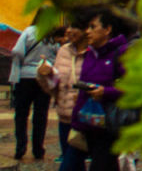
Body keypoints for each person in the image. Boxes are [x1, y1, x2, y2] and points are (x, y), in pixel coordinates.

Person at [72, 10, 129, 171]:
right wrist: (76, 121)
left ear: (107, 29)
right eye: (87, 27)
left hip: (108, 126)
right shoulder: (90, 54)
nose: (87, 31)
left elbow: (133, 87)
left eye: (93, 27)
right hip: (87, 123)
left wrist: (106, 92)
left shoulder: (121, 53)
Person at [10, 12, 60, 161]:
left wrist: (23, 62)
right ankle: (38, 149)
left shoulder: (29, 31)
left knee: (21, 114)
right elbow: (58, 54)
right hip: (44, 78)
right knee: (41, 114)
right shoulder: (52, 35)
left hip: (25, 77)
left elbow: (17, 51)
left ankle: (20, 147)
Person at [46, 14, 91, 171]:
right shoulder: (63, 51)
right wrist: (45, 75)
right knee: (73, 162)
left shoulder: (94, 52)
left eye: (74, 27)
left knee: (70, 163)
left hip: (85, 117)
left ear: (86, 30)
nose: (69, 30)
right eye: (69, 26)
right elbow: (54, 85)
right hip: (65, 116)